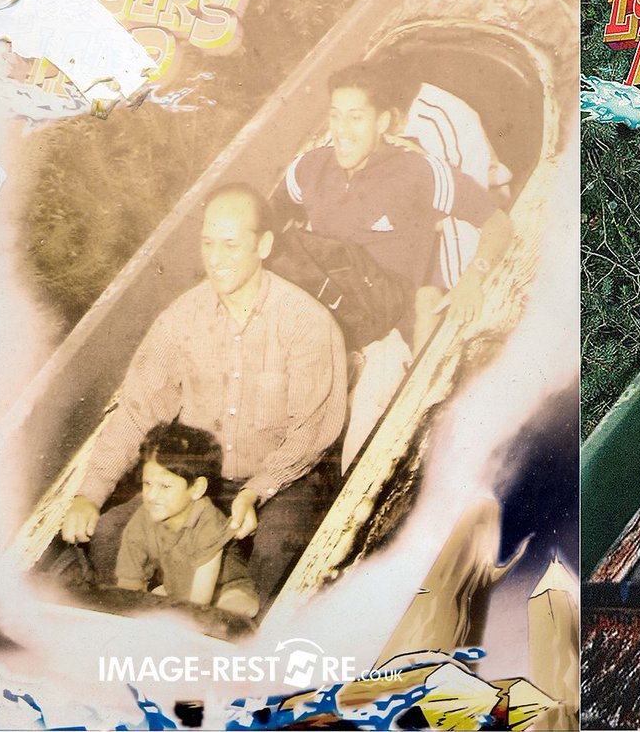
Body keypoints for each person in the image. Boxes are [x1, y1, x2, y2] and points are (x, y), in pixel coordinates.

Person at [60, 185, 348, 603]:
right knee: (108, 534)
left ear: (263, 245)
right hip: (202, 483)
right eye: (208, 243)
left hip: (285, 480)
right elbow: (137, 412)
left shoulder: (306, 323)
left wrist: (255, 491)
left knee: (276, 552)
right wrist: (90, 494)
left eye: (231, 245)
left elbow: (308, 434)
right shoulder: (180, 319)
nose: (215, 259)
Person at [284, 61, 513, 350]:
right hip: (332, 314)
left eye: (355, 117)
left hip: (392, 324)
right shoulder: (312, 166)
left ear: (382, 122)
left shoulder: (415, 170)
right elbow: (270, 215)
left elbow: (495, 221)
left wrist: (471, 279)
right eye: (335, 116)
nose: (341, 130)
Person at [116, 421, 259, 618]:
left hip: (226, 591)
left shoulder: (209, 524)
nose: (151, 496)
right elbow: (128, 582)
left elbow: (197, 606)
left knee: (224, 615)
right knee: (148, 603)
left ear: (197, 489)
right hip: (178, 589)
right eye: (147, 483)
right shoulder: (143, 517)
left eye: (165, 487)